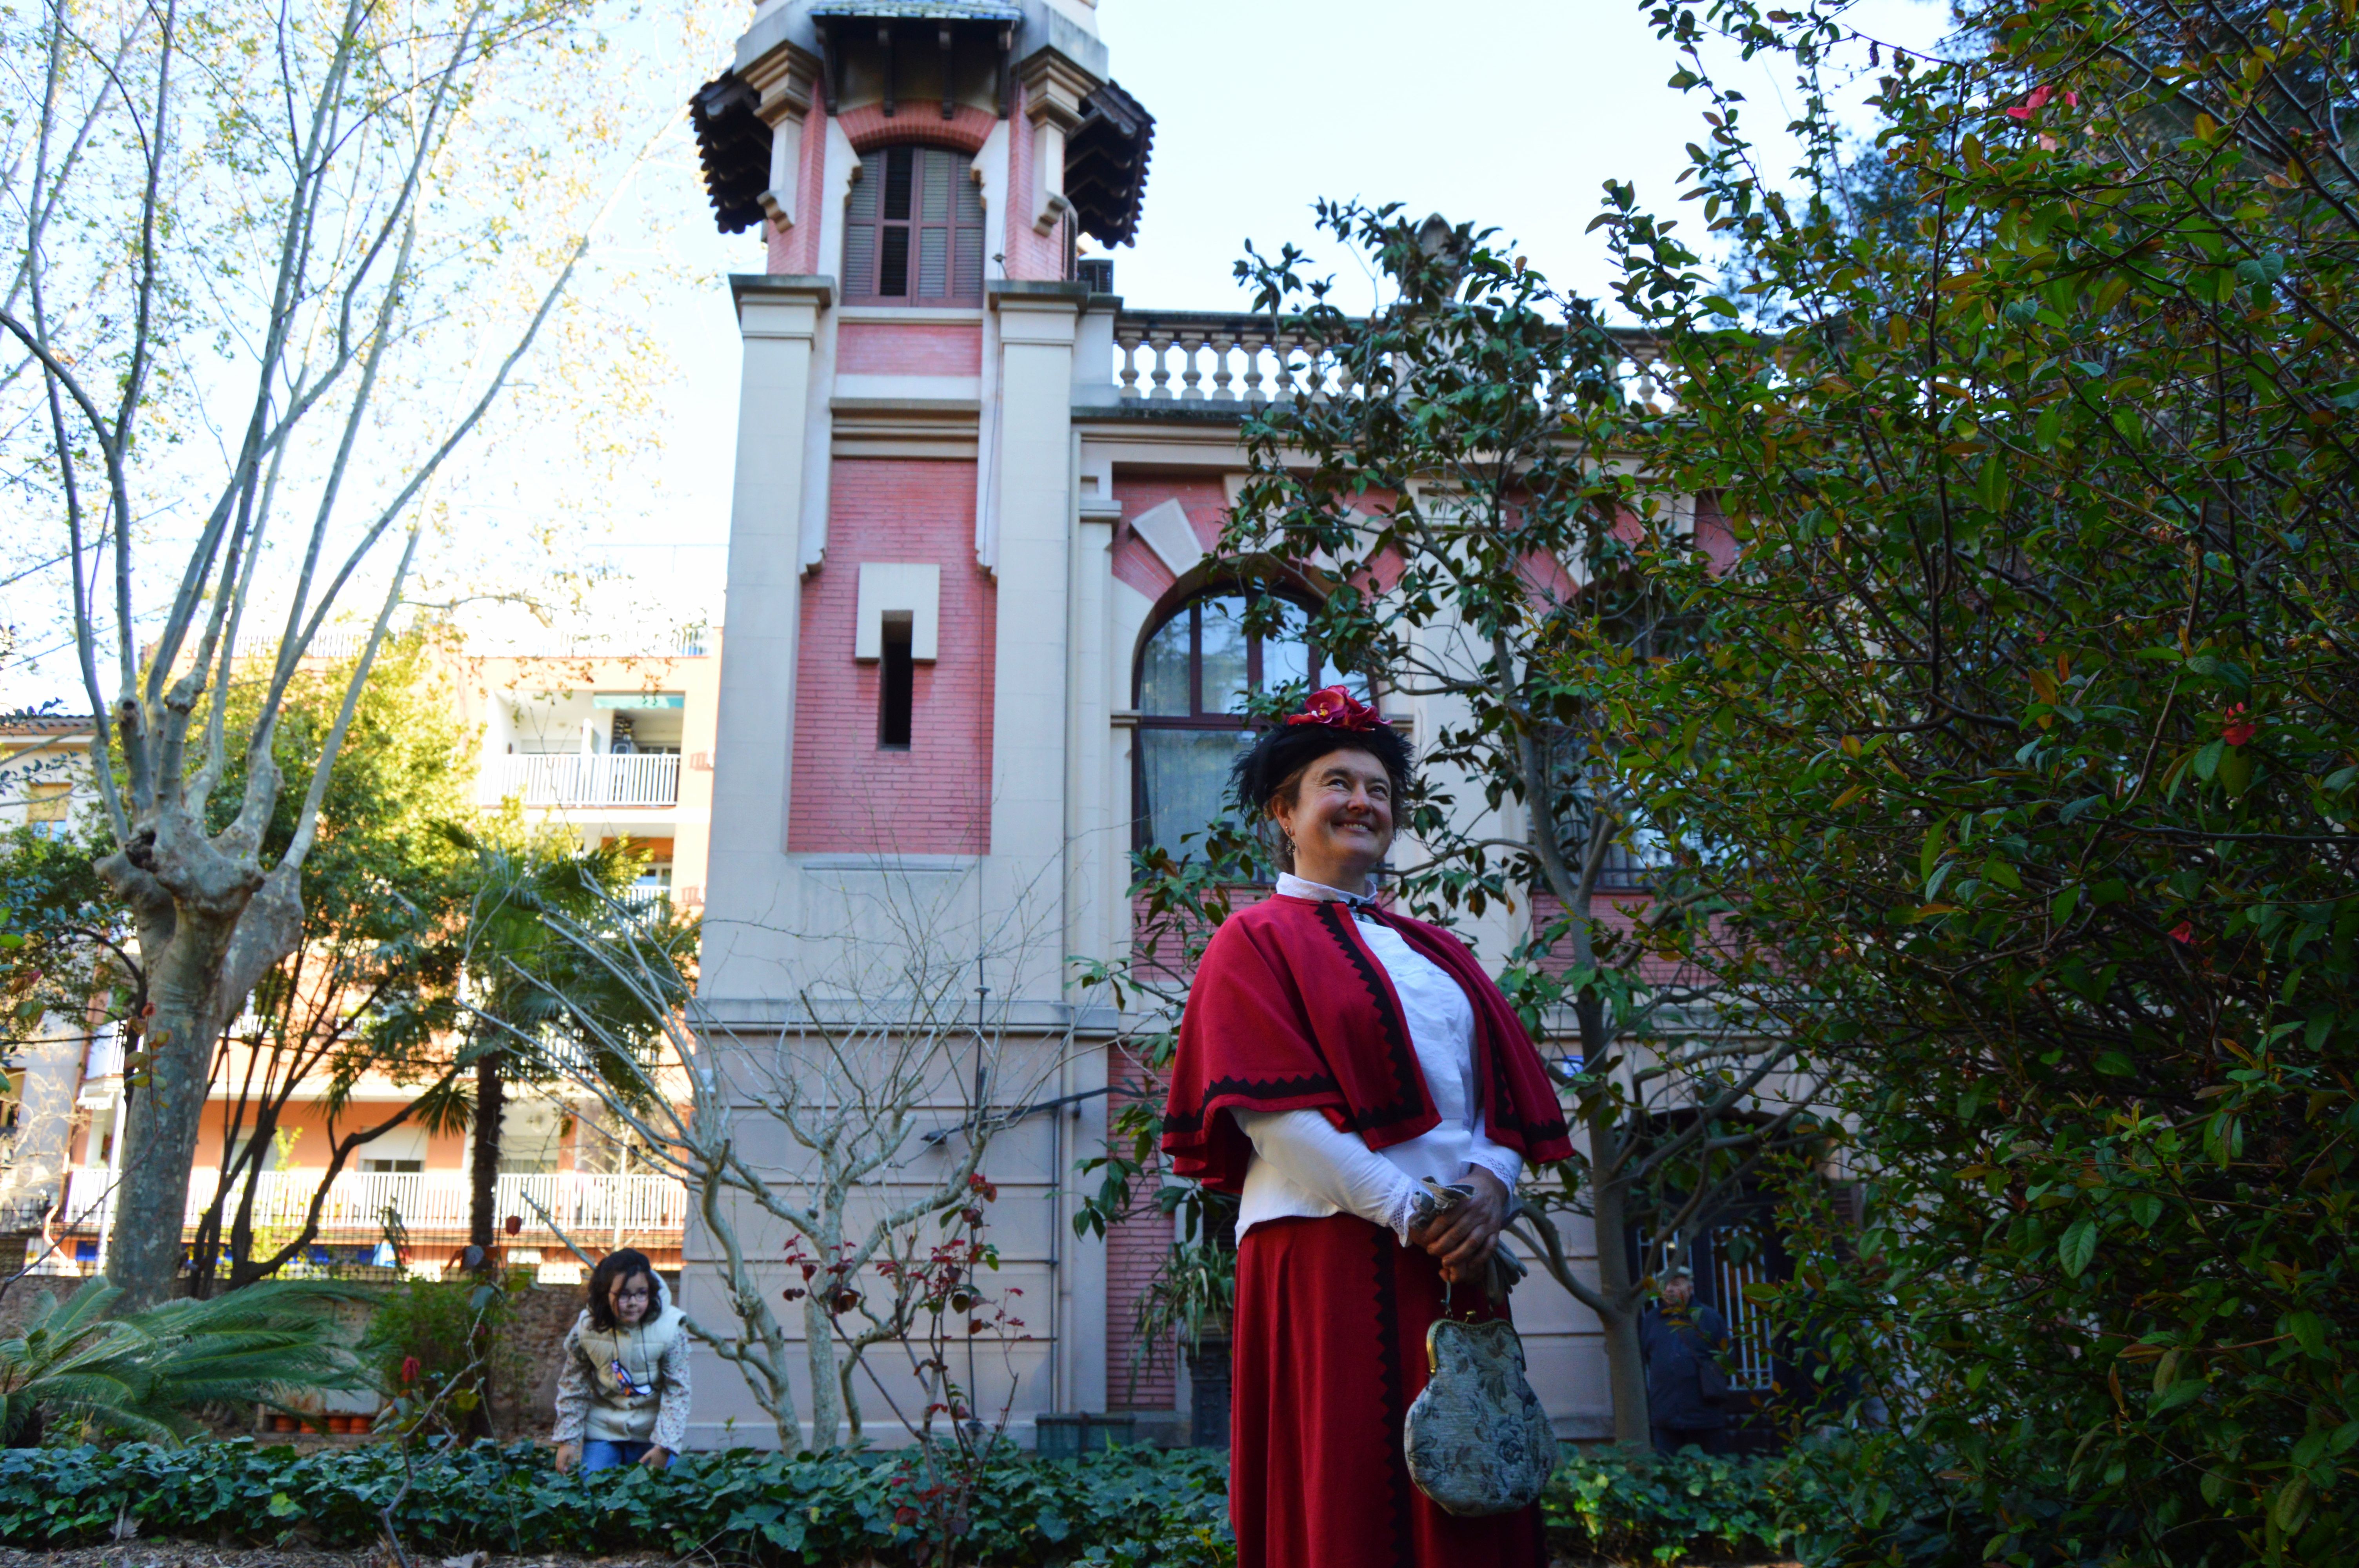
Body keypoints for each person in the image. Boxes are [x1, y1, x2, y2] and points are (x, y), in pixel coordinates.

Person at [1162, 686, 1575, 1568]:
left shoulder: (1437, 950)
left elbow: (1495, 1099)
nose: (1362, 801)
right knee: (1348, 1492)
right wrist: (1415, 1209)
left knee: (1477, 1487)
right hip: (1326, 1256)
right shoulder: (1251, 939)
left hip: (1457, 1256)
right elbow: (1274, 1117)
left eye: (1379, 788)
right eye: (1336, 782)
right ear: (1285, 809)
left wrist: (1487, 1190)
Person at [552, 1248, 691, 1473]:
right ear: (606, 1293)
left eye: (641, 1293)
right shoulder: (587, 1329)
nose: (633, 1302)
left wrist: (665, 1446)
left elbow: (678, 1390)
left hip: (652, 1434)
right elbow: (573, 1384)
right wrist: (568, 1440)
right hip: (603, 1430)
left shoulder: (670, 1330)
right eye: (624, 1295)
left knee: (654, 1494)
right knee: (595, 1491)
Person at [1639, 1265, 1733, 1455]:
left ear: (1690, 1288)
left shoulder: (1709, 1318)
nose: (1669, 1290)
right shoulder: (1652, 1320)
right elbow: (1645, 1357)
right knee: (1669, 1475)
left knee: (1710, 1472)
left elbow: (1727, 1359)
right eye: (1664, 1285)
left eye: (1676, 1284)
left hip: (1705, 1416)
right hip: (1665, 1416)